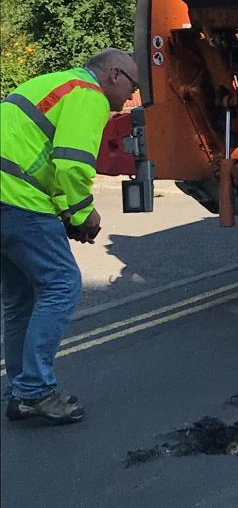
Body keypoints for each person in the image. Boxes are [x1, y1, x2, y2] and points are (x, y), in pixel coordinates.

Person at [1, 48, 140, 423]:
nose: (130, 97)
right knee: (62, 285)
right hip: (18, 199)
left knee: (19, 297)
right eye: (132, 85)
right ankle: (34, 391)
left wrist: (66, 212)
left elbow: (42, 156)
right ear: (113, 74)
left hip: (7, 196)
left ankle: (20, 389)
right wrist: (82, 215)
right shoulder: (87, 94)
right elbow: (71, 163)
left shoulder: (53, 83)